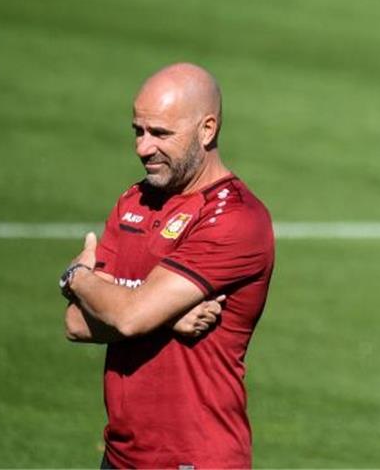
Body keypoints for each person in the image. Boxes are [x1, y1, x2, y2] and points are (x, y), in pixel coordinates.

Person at [60, 62, 276, 469]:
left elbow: (126, 318)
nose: (143, 147)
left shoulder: (234, 219)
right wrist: (161, 315)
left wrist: (77, 277)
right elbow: (76, 322)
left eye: (160, 133)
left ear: (207, 130)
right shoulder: (134, 202)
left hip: (194, 459)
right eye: (138, 131)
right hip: (121, 456)